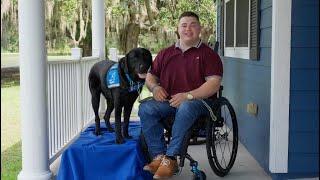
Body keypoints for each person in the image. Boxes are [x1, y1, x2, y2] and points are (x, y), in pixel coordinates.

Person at [138, 11, 223, 179]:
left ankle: (170, 159)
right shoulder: (165, 53)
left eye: (192, 25)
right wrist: (154, 88)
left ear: (200, 29)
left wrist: (188, 96)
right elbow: (150, 76)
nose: (188, 29)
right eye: (184, 25)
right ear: (178, 29)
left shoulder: (209, 55)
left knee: (186, 106)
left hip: (200, 103)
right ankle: (159, 157)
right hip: (170, 103)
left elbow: (214, 84)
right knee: (146, 108)